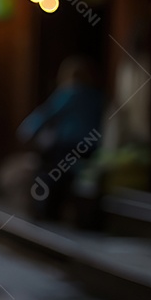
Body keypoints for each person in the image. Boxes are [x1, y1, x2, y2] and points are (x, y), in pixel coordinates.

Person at [17, 56, 105, 221]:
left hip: (68, 145)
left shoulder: (69, 93)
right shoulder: (96, 96)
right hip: (91, 146)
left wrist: (27, 130)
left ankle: (46, 211)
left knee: (50, 173)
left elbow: (46, 114)